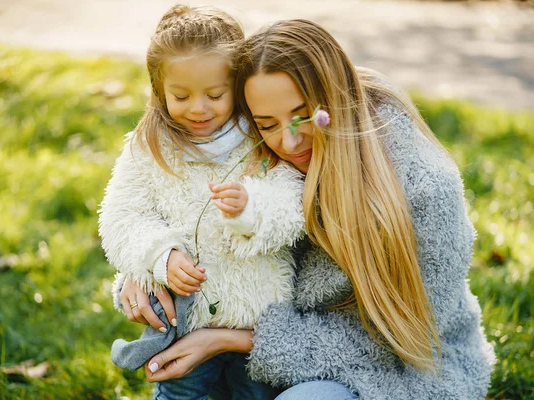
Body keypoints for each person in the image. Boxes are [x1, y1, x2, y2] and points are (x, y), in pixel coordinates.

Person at [115, 19, 496, 400]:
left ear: (334, 98)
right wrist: (148, 264)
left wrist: (232, 340)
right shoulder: (262, 157)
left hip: (405, 369)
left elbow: (401, 339)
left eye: (301, 115)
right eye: (267, 123)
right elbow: (197, 226)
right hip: (287, 355)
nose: (290, 140)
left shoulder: (425, 189)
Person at [99, 6, 306, 400]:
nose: (198, 109)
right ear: (159, 90)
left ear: (237, 85)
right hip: (186, 320)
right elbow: (121, 216)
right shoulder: (150, 147)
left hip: (257, 321)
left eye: (215, 95)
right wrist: (162, 255)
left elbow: (294, 200)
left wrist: (251, 210)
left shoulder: (260, 136)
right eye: (181, 96)